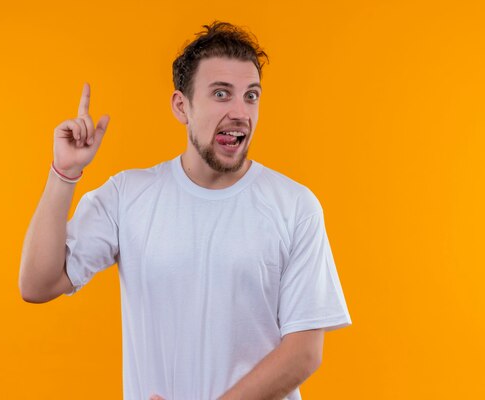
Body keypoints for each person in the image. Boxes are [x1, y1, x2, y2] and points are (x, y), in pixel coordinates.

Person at [19, 21, 352, 400]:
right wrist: (65, 172)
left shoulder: (295, 206)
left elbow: (304, 353)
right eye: (222, 94)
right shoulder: (128, 195)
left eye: (251, 96)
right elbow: (38, 284)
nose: (241, 111)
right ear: (182, 107)